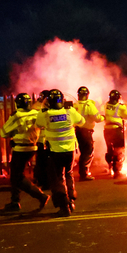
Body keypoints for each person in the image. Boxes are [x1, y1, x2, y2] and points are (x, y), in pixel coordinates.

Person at [35, 89, 85, 217]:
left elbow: (38, 124)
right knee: (68, 174)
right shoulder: (70, 111)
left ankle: (64, 206)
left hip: (54, 152)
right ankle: (71, 200)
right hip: (70, 151)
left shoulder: (45, 114)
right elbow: (82, 121)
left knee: (57, 178)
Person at [0, 93, 50, 212]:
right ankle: (14, 201)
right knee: (15, 176)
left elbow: (3, 132)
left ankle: (40, 196)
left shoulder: (17, 116)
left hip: (20, 149)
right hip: (32, 148)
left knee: (17, 177)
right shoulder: (36, 113)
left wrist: (13, 133)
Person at [73, 86, 104, 181]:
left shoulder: (75, 105)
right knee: (88, 152)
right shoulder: (89, 105)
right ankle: (84, 174)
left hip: (77, 131)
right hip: (86, 131)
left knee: (83, 152)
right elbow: (97, 118)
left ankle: (82, 172)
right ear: (87, 95)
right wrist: (103, 117)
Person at [103, 90, 127, 179]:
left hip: (107, 130)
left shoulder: (106, 105)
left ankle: (109, 167)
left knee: (109, 149)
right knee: (118, 151)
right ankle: (117, 172)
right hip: (117, 130)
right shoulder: (121, 107)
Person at [32, 90, 50, 189]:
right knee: (44, 161)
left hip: (40, 138)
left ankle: (39, 179)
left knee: (40, 160)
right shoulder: (40, 108)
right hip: (43, 138)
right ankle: (44, 182)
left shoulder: (36, 106)